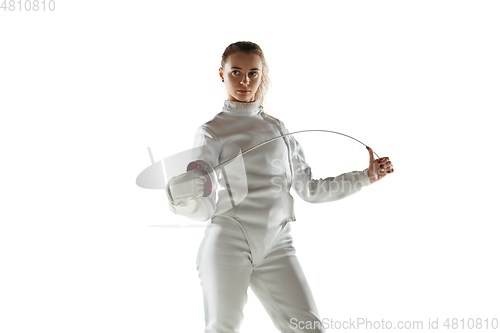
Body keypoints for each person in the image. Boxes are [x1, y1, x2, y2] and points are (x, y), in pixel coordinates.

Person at [167, 41, 394, 333]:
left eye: (252, 73)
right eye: (236, 72)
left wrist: (366, 176)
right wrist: (187, 190)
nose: (244, 81)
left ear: (262, 75)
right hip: (228, 242)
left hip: (277, 244)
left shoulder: (278, 129)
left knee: (309, 328)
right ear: (221, 74)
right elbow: (203, 199)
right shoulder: (212, 131)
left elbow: (310, 190)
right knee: (223, 327)